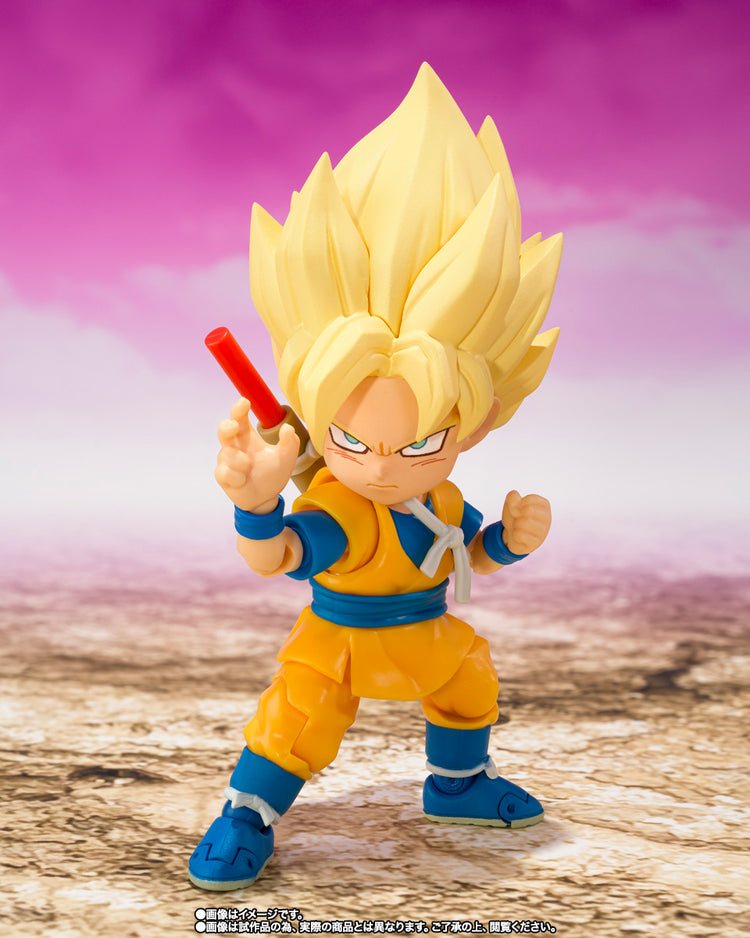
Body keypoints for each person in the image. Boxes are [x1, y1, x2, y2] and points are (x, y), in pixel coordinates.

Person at [189, 63, 562, 891]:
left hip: (427, 630)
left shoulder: (442, 497)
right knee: (297, 723)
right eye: (352, 442)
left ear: (479, 423)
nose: (383, 467)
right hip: (340, 643)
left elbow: (464, 554)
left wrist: (508, 541)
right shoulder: (342, 508)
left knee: (469, 680)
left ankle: (458, 785)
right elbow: (280, 555)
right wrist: (255, 504)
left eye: (420, 444)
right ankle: (247, 815)